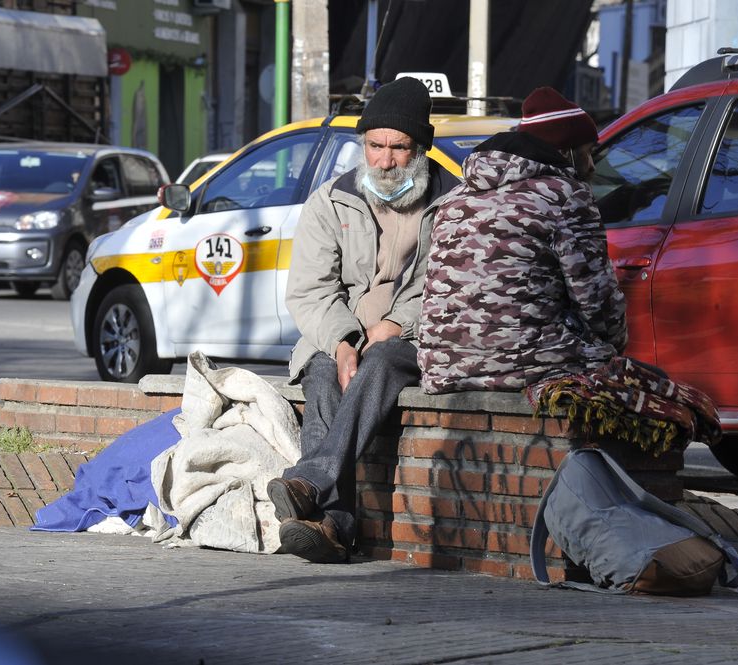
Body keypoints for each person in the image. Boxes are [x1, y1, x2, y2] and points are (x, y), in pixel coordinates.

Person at [268, 77, 458, 563]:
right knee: (325, 377)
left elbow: (448, 286)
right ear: (363, 144)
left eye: (399, 147)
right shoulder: (330, 200)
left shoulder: (452, 205)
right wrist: (343, 341)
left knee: (383, 361)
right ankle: (332, 527)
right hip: (337, 336)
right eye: (375, 145)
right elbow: (310, 291)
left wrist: (396, 325)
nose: (385, 159)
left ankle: (310, 484)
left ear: (420, 148)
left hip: (411, 338)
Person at [418, 86, 628, 394]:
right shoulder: (566, 195)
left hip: (441, 368)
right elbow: (598, 303)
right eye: (586, 153)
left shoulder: (453, 199)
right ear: (565, 152)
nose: (592, 166)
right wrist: (614, 345)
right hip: (523, 364)